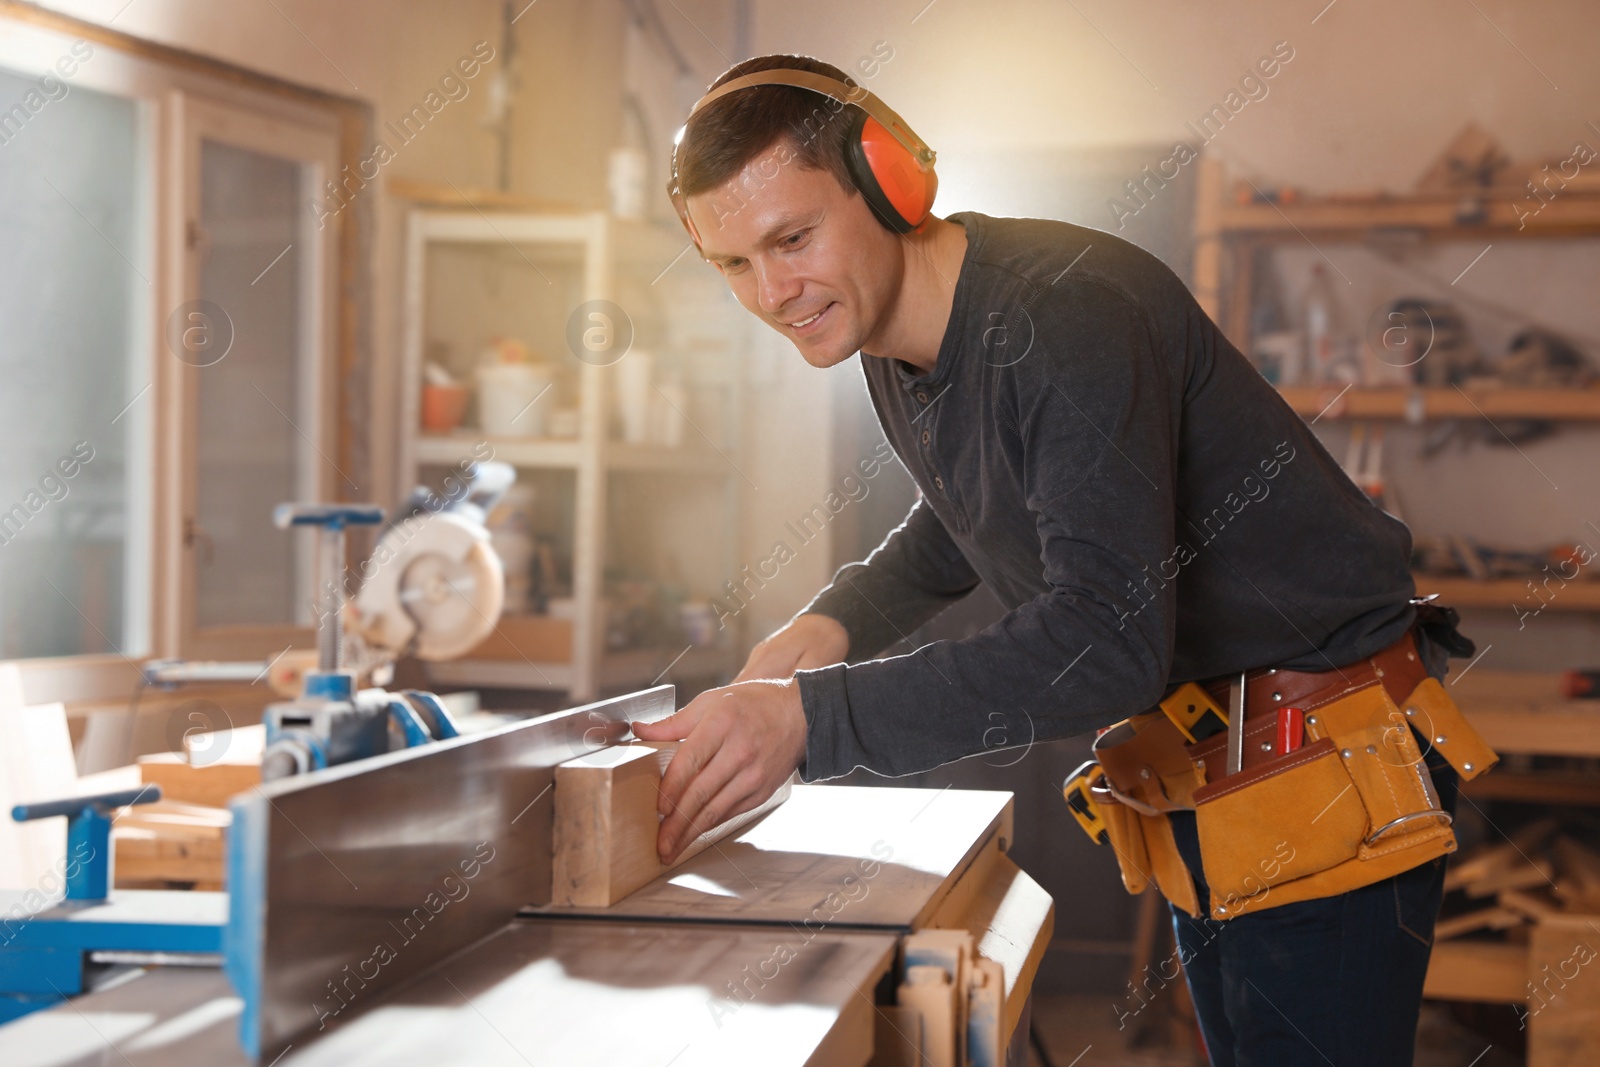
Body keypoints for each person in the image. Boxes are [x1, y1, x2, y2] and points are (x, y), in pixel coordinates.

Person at [631, 53, 1494, 1067]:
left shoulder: (1061, 316)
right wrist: (821, 632)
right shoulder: (895, 341)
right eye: (732, 264)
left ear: (888, 182)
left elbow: (1103, 642)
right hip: (1215, 783)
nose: (774, 292)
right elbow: (964, 518)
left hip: (1321, 772)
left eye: (792, 238)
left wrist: (812, 720)